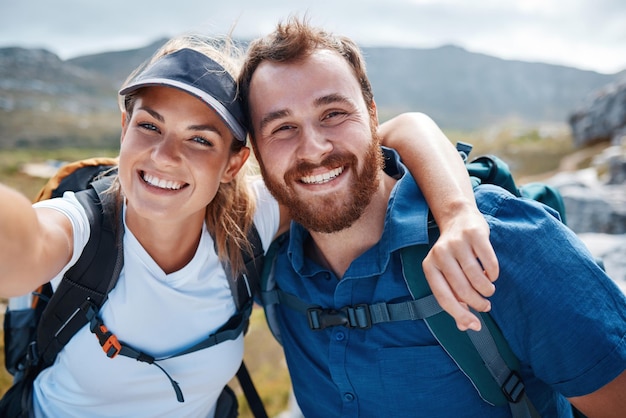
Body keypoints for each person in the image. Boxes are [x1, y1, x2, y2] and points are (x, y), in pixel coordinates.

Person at [0, 33, 499, 416]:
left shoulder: (251, 219)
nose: (165, 157)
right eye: (149, 126)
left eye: (200, 140)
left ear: (234, 164)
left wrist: (457, 214)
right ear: (124, 129)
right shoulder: (81, 230)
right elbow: (21, 247)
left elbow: (398, 129)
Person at [237, 17, 626, 417]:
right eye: (283, 127)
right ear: (255, 153)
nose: (315, 148)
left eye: (334, 113)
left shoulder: (502, 241)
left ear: (373, 118)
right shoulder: (272, 267)